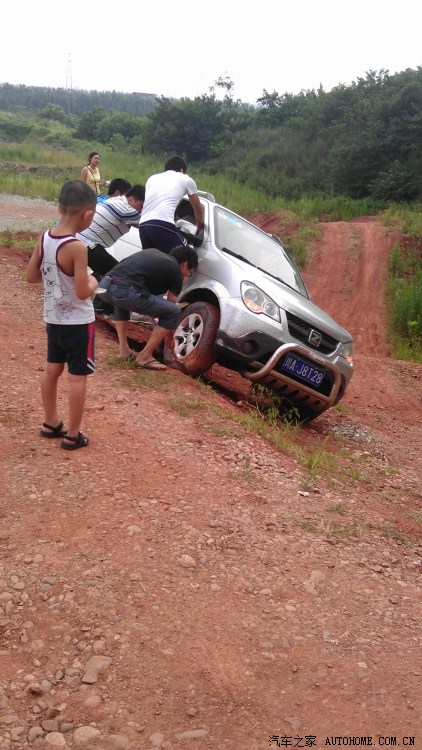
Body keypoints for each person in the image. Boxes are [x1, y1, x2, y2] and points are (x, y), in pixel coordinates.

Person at [26, 180, 98, 451]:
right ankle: (72, 435)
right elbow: (82, 291)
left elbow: (31, 276)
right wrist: (94, 281)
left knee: (52, 369)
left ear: (59, 207)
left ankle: (51, 422)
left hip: (53, 320)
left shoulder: (44, 237)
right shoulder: (77, 247)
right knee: (77, 377)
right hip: (78, 324)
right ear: (88, 214)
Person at [98, 245, 199, 366]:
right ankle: (144, 356)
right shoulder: (176, 271)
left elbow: (153, 308)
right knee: (174, 311)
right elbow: (170, 307)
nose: (187, 276)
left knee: (122, 303)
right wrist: (170, 337)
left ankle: (124, 350)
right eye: (190, 272)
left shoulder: (153, 254)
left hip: (105, 287)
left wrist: (160, 324)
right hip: (124, 291)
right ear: (185, 264)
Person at [76, 183, 145, 281]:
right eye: (141, 206)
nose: (141, 211)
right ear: (130, 199)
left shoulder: (117, 201)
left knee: (106, 272)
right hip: (88, 245)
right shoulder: (127, 210)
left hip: (82, 241)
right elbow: (149, 225)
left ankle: (94, 285)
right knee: (121, 275)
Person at [139, 155, 204, 253]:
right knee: (186, 255)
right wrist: (199, 226)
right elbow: (198, 210)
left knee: (152, 260)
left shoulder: (152, 178)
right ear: (182, 170)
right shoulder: (186, 179)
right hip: (162, 224)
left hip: (143, 225)